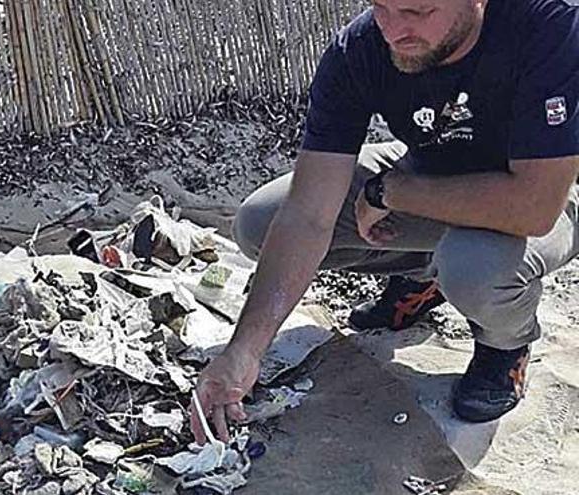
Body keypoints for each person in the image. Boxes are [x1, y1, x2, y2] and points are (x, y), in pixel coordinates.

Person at [190, 0, 579, 444]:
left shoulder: (550, 25)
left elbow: (534, 206)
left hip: (548, 191)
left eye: (418, 11)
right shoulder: (359, 48)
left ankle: (505, 346)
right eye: (382, 7)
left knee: (474, 268)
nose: (395, 30)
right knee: (260, 222)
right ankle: (421, 274)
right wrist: (244, 351)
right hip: (431, 174)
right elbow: (307, 215)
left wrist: (389, 192)